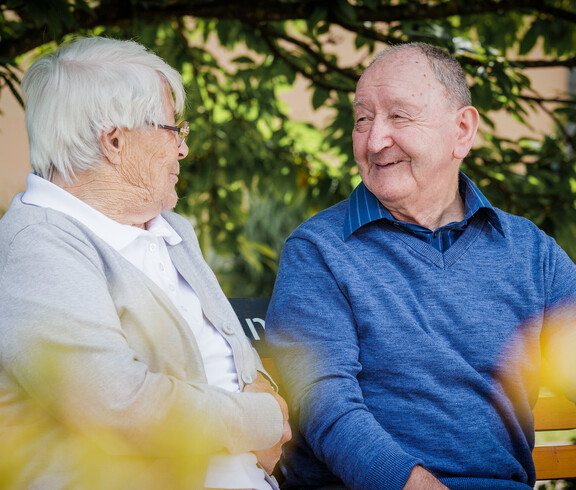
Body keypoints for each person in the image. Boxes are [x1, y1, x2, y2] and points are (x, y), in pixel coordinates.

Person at [266, 42, 576, 489]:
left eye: (400, 116)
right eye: (363, 119)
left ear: (463, 131)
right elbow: (322, 404)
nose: (374, 141)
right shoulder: (320, 250)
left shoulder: (529, 252)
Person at [0, 36, 290, 490]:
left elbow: (238, 356)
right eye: (174, 131)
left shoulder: (172, 232)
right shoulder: (36, 248)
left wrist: (266, 389)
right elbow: (115, 404)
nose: (183, 151)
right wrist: (261, 420)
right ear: (115, 140)